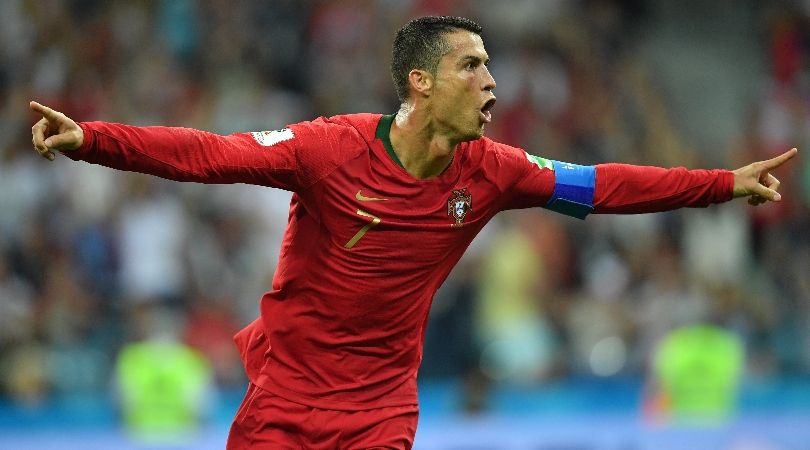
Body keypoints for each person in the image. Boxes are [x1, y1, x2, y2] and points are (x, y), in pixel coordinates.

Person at [30, 15, 796, 450]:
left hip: (381, 413)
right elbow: (209, 154)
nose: (492, 83)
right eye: (472, 67)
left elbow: (598, 186)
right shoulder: (329, 149)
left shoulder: (494, 170)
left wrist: (722, 184)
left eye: (491, 66)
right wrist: (93, 138)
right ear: (420, 83)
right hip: (285, 404)